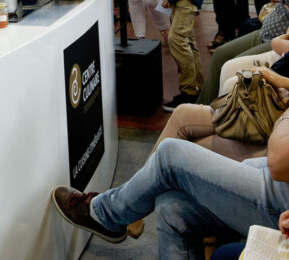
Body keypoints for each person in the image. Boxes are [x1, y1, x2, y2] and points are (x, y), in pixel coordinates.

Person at [51, 111, 289, 258]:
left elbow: (278, 161)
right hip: (277, 183)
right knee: (171, 207)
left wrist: (284, 118)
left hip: (280, 195)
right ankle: (120, 208)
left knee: (170, 153)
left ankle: (105, 214)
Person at [197, 0, 289, 105]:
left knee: (232, 67)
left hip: (277, 43)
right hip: (265, 33)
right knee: (220, 54)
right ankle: (203, 106)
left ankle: (218, 113)